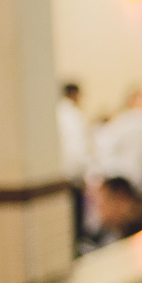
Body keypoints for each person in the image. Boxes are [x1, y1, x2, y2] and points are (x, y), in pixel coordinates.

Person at [57, 82, 90, 237]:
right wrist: (81, 175)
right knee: (75, 225)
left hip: (60, 177)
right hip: (72, 177)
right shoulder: (73, 116)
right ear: (75, 94)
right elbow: (77, 151)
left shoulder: (55, 113)